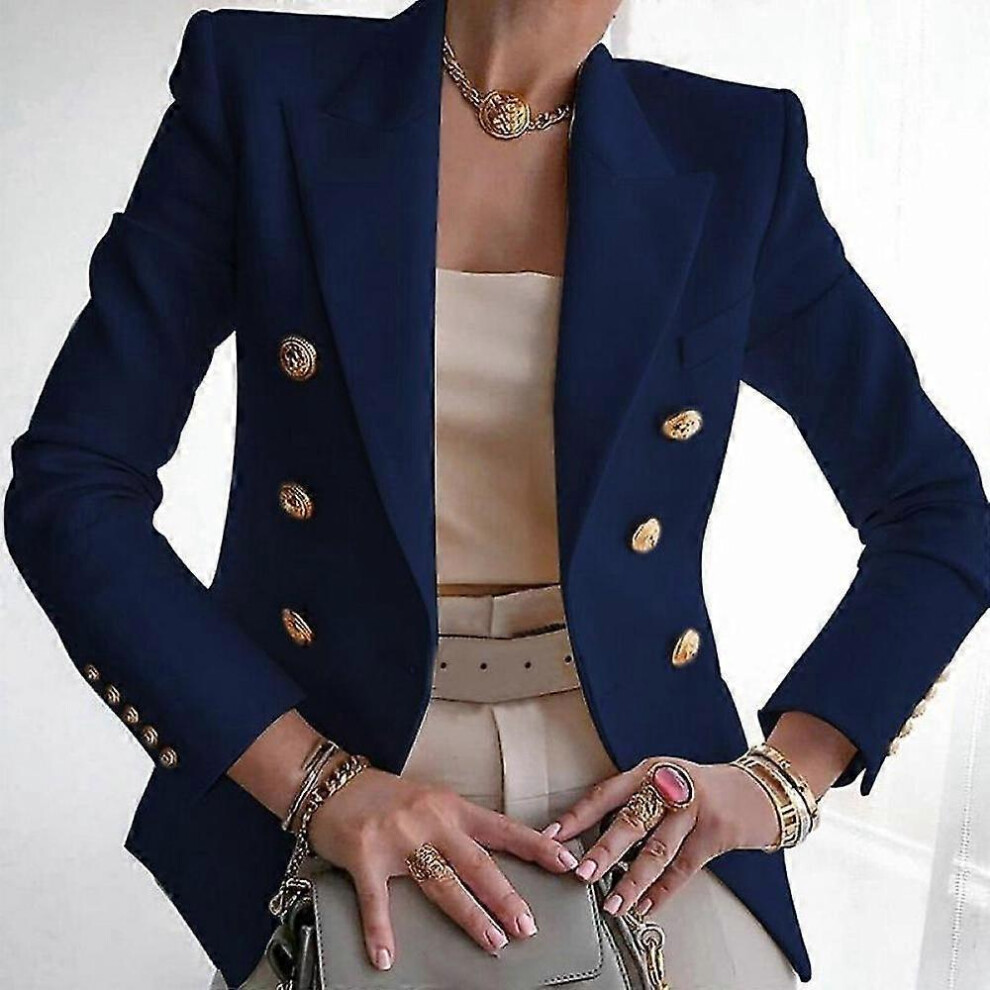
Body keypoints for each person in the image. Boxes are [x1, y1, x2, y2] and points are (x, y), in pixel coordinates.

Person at [6, 0, 988, 987]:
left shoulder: (732, 151)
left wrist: (782, 780)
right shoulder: (263, 90)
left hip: (646, 798)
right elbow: (73, 487)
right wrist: (315, 784)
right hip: (345, 768)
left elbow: (938, 510)